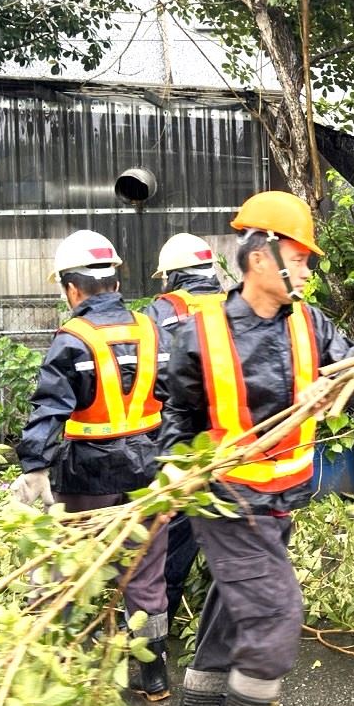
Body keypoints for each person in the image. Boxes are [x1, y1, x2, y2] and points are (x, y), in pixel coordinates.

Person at [162, 190, 354, 706]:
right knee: (275, 617)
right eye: (299, 258)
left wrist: (344, 374)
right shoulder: (203, 335)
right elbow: (179, 414)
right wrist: (173, 465)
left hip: (281, 501)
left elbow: (347, 360)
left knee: (231, 614)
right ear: (261, 260)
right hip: (226, 503)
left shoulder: (309, 322)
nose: (306, 270)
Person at [10, 229, 174, 698]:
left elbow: (50, 408)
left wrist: (35, 466)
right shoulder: (151, 329)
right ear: (115, 282)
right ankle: (155, 675)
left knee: (70, 565)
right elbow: (175, 396)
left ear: (72, 288)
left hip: (87, 474)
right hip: (148, 469)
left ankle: (57, 666)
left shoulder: (73, 339)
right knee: (145, 569)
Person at [143, 233, 226, 629]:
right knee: (232, 538)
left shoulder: (160, 313)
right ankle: (226, 628)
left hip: (181, 441)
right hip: (235, 441)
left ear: (172, 277)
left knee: (170, 543)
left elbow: (155, 377)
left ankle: (155, 641)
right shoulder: (239, 305)